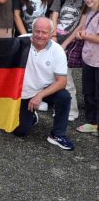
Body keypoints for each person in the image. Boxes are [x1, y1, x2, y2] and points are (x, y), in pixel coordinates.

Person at [12, 17, 74, 150]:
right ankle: (32, 116)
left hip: (45, 89)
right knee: (20, 132)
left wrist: (39, 96)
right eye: (37, 31)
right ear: (32, 30)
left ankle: (57, 135)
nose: (40, 35)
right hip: (24, 91)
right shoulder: (21, 41)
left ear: (51, 33)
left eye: (44, 32)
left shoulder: (57, 51)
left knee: (64, 97)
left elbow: (62, 82)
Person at [52, 0, 85, 122]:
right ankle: (59, 107)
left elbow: (81, 24)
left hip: (72, 42)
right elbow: (55, 14)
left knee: (66, 77)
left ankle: (71, 111)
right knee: (54, 75)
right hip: (57, 38)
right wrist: (52, 36)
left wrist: (64, 44)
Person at [74, 0, 99, 134]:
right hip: (88, 58)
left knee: (97, 92)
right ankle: (92, 121)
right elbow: (85, 30)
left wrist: (85, 36)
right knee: (88, 91)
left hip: (97, 60)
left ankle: (96, 122)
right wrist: (81, 34)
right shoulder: (90, 13)